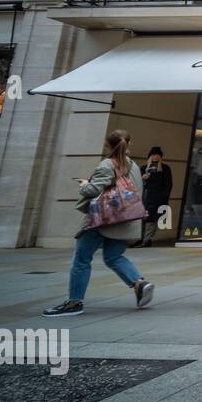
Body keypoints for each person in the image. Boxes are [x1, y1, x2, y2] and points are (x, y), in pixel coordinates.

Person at [43, 130, 155, 317]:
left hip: (102, 220)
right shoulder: (133, 165)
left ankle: (74, 302)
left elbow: (94, 190)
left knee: (81, 259)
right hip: (124, 219)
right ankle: (139, 283)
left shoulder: (107, 164)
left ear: (107, 144)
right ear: (129, 143)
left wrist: (84, 184)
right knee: (113, 256)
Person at [134, 146, 173, 248]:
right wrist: (143, 178)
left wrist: (164, 198)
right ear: (149, 156)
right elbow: (135, 184)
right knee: (141, 218)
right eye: (153, 155)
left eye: (158, 155)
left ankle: (147, 240)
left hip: (157, 198)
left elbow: (168, 184)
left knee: (151, 219)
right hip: (144, 197)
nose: (156, 157)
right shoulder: (143, 168)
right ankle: (140, 239)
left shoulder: (165, 169)